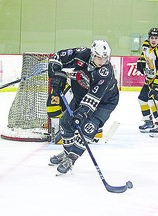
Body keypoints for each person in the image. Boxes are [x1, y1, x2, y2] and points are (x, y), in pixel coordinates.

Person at [47, 40, 119, 175]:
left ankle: (71, 158)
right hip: (80, 96)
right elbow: (57, 58)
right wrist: (56, 74)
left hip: (104, 102)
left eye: (105, 57)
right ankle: (67, 153)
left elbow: (92, 98)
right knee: (65, 122)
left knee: (87, 129)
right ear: (92, 54)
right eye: (99, 57)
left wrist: (81, 114)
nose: (102, 60)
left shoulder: (105, 72)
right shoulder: (80, 54)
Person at [136, 27, 158, 134]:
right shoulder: (146, 45)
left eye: (156, 38)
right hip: (150, 78)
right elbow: (144, 54)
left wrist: (156, 86)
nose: (153, 40)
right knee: (142, 99)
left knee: (153, 101)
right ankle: (148, 122)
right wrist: (140, 61)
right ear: (149, 38)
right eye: (152, 37)